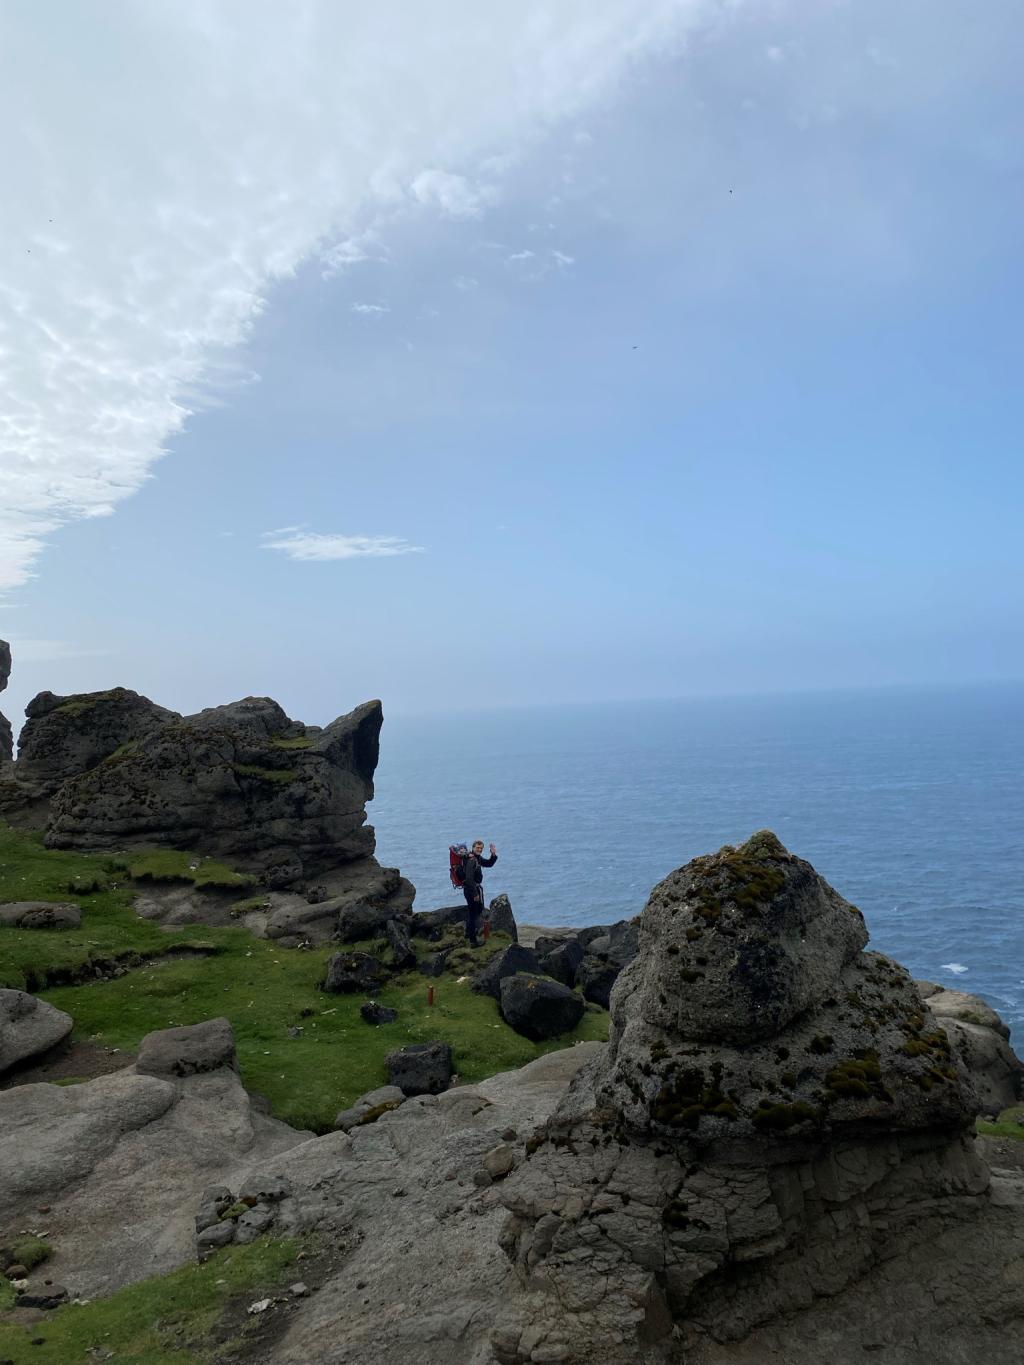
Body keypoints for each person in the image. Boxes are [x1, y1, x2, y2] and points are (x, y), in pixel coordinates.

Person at [463, 840, 497, 947]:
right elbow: (468, 879)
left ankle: (469, 934)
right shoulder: (472, 860)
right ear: (473, 847)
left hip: (474, 889)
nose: (479, 849)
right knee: (473, 915)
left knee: (475, 912)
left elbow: (488, 864)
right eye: (477, 847)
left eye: (481, 848)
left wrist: (493, 855)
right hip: (471, 890)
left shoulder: (477, 858)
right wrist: (475, 894)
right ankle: (473, 941)